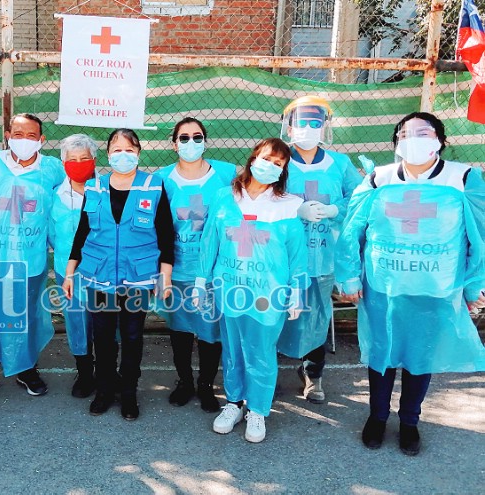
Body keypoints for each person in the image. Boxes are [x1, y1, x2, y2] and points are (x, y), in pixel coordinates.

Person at [335, 112, 485, 456]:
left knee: (421, 357)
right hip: (384, 286)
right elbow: (352, 229)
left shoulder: (463, 178)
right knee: (381, 353)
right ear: (396, 143)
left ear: (440, 140)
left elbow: (480, 234)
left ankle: (410, 421)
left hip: (435, 287)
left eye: (423, 132)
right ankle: (377, 416)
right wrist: (348, 274)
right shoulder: (379, 178)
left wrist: (474, 284)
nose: (413, 138)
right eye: (404, 133)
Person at [196, 138, 307, 443]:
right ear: (254, 157)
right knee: (232, 350)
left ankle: (257, 409)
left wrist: (298, 289)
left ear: (283, 171)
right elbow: (210, 241)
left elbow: (297, 252)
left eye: (279, 163)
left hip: (267, 293)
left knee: (260, 352)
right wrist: (199, 280)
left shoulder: (289, 205)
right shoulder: (224, 196)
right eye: (267, 158)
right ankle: (233, 403)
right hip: (229, 288)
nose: (270, 166)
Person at [63, 128, 175, 420]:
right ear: (108, 153)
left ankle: (128, 393)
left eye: (129, 149)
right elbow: (83, 231)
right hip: (99, 277)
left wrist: (165, 277)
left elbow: (165, 235)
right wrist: (69, 272)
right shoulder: (95, 186)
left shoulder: (153, 185)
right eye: (116, 148)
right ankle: (104, 389)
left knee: (133, 336)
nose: (122, 154)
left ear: (138, 152)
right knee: (102, 337)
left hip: (137, 280)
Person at [0, 113, 64, 403]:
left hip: (30, 256)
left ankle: (26, 367)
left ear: (41, 140)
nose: (24, 140)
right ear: (7, 135)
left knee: (27, 313)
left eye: (32, 135)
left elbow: (65, 204)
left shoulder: (52, 169)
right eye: (18, 134)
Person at [277, 96, 363, 403]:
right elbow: (260, 196)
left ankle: (313, 375)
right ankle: (267, 373)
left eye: (316, 122)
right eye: (302, 121)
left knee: (317, 316)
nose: (308, 128)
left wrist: (332, 210)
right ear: (289, 125)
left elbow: (358, 198)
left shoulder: (339, 163)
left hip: (324, 255)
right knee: (274, 311)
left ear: (325, 126)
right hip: (283, 256)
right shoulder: (278, 159)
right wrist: (294, 209)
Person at [154, 117, 236, 412]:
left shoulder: (225, 174)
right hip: (177, 267)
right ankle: (185, 381)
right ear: (174, 143)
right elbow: (157, 227)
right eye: (184, 137)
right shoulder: (161, 178)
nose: (191, 143)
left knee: (210, 331)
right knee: (180, 328)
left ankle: (206, 384)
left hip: (214, 269)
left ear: (205, 140)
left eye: (197, 136)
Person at [48, 134, 98, 398]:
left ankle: (106, 369)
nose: (78, 164)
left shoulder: (107, 189)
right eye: (72, 159)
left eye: (84, 158)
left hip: (103, 271)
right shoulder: (55, 195)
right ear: (63, 162)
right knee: (76, 319)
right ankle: (84, 371)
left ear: (95, 160)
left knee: (104, 320)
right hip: (68, 271)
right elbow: (51, 234)